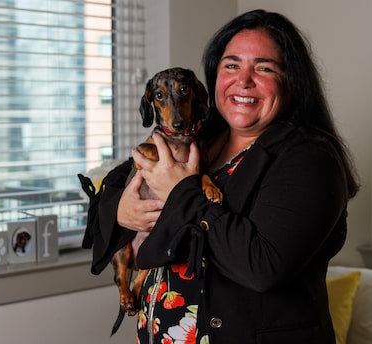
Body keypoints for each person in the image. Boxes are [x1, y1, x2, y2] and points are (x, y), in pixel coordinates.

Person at [87, 9, 360, 344]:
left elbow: (262, 267)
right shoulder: (200, 135)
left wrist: (181, 192)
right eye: (232, 65)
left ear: (292, 82)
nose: (243, 80)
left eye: (263, 67)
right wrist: (122, 211)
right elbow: (113, 186)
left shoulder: (310, 159)